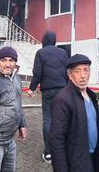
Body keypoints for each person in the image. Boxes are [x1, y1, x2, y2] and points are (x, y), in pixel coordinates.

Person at [49, 54, 99, 172]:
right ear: (70, 75)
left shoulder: (91, 96)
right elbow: (57, 140)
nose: (83, 76)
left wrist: (98, 163)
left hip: (92, 158)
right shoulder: (62, 100)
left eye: (85, 70)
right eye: (77, 71)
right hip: (77, 162)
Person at [28, 30, 68, 163]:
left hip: (48, 92)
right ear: (54, 40)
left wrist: (31, 88)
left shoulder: (40, 53)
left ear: (44, 40)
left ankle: (49, 153)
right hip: (62, 89)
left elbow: (37, 73)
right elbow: (68, 72)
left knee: (48, 120)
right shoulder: (63, 53)